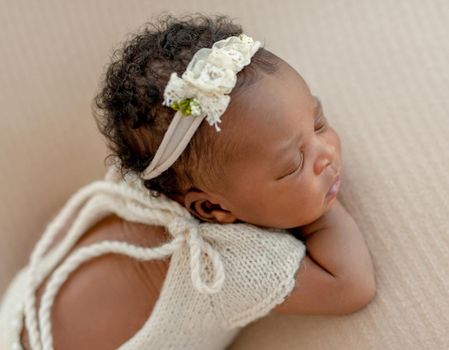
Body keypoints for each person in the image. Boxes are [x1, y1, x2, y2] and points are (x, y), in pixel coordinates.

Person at [0, 13, 375, 350]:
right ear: (211, 208)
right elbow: (351, 285)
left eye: (318, 122)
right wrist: (320, 211)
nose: (325, 153)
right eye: (293, 165)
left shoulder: (144, 184)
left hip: (15, 312)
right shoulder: (224, 267)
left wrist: (302, 183)